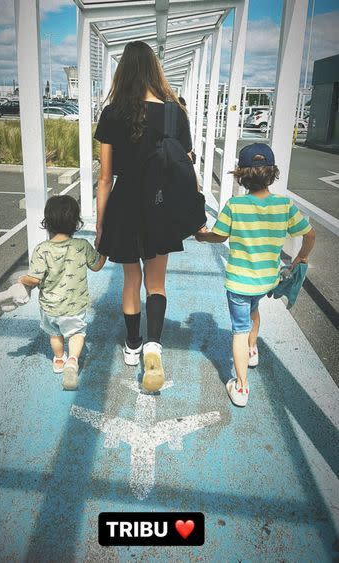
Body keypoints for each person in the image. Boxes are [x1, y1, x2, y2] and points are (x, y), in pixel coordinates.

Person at [94, 41, 194, 393]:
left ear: (123, 71)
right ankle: (154, 345)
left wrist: (101, 223)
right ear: (154, 69)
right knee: (157, 283)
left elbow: (105, 177)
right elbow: (185, 161)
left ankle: (133, 345)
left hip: (123, 205)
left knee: (130, 280)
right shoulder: (174, 112)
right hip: (160, 205)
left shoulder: (111, 114)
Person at [196, 143, 315, 407]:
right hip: (265, 281)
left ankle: (241, 387)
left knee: (239, 329)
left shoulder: (235, 206)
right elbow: (309, 234)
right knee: (254, 310)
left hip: (240, 282)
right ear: (272, 173)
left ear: (241, 175)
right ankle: (253, 350)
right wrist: (302, 257)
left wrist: (203, 237)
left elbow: (220, 236)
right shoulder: (284, 206)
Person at [18, 195, 106, 390]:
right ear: (75, 222)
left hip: (50, 307)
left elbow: (34, 279)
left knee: (54, 334)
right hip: (75, 306)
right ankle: (73, 360)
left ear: (47, 221)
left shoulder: (41, 250)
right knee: (76, 334)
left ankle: (58, 360)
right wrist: (104, 249)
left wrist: (21, 279)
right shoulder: (82, 246)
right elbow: (98, 265)